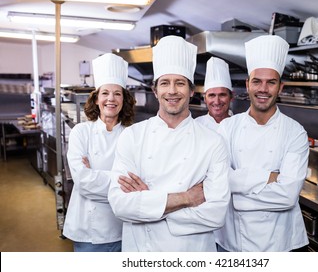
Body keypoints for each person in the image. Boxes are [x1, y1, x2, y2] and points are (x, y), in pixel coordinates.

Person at [108, 35, 230, 252]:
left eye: (180, 83)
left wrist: (149, 205)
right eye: (165, 83)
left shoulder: (213, 142)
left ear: (192, 91)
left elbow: (216, 214)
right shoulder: (133, 136)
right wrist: (187, 198)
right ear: (155, 90)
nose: (172, 91)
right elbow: (120, 205)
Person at [214, 35, 309, 252]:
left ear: (280, 87)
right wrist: (269, 177)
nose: (263, 89)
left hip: (281, 243)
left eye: (271, 82)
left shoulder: (295, 132)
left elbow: (287, 196)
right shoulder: (227, 128)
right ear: (247, 85)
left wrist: (236, 199)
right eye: (257, 81)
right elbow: (216, 180)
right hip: (233, 243)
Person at [63, 53, 136, 252]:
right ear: (96, 99)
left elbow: (139, 182)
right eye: (105, 93)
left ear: (124, 100)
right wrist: (121, 182)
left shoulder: (133, 135)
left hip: (124, 227)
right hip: (89, 232)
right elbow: (83, 182)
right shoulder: (81, 132)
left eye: (117, 93)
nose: (110, 99)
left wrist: (96, 175)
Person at [196, 57, 233, 130]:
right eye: (212, 95)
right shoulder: (196, 126)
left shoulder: (240, 125)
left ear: (231, 97)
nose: (217, 102)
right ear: (205, 98)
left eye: (222, 95)